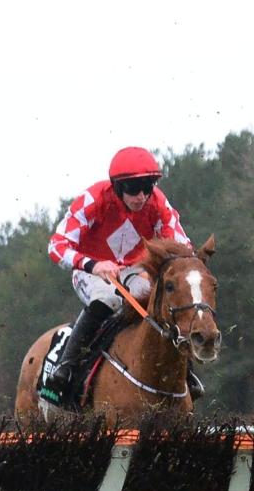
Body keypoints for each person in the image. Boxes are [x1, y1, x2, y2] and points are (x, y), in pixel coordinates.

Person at [43, 146, 204, 402]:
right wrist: (94, 265)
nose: (141, 197)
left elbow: (182, 245)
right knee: (108, 299)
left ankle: (186, 372)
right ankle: (66, 366)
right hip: (91, 270)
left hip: (134, 269)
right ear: (117, 187)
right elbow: (56, 245)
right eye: (133, 189)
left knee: (157, 299)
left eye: (147, 188)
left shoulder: (157, 203)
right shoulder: (93, 199)